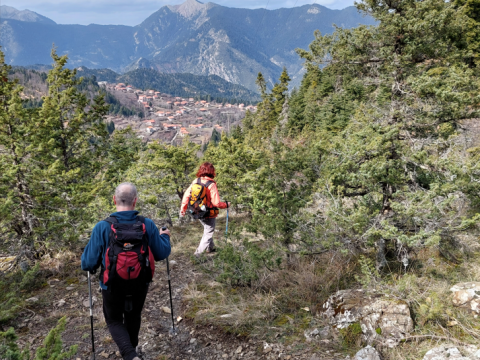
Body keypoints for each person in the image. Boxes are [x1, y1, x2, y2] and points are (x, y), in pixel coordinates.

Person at [81, 182, 171, 360]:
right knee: (133, 315)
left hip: (111, 285)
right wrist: (165, 237)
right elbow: (161, 253)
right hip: (140, 282)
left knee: (114, 320)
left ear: (114, 199)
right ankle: (132, 351)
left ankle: (130, 355)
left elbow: (88, 264)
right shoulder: (147, 224)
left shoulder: (102, 227)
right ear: (135, 201)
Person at [180, 162, 230, 256]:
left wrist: (183, 209)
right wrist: (226, 205)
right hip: (209, 213)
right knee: (208, 232)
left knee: (207, 229)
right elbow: (216, 203)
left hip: (197, 211)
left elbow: (186, 195)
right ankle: (197, 255)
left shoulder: (196, 181)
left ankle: (210, 247)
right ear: (212, 172)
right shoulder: (211, 185)